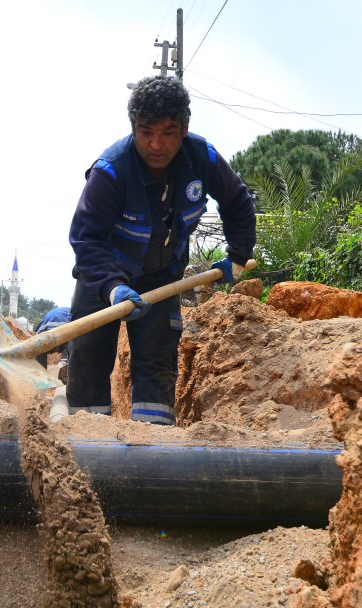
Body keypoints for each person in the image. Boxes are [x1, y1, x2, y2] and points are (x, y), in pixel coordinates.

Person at [66, 76, 256, 425]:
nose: (157, 144)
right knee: (88, 359)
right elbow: (86, 240)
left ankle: (151, 450)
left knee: (157, 364)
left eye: (168, 131)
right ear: (133, 129)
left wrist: (239, 256)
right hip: (103, 279)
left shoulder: (204, 159)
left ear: (184, 128)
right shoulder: (110, 172)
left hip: (160, 280)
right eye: (146, 131)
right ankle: (86, 443)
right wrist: (112, 288)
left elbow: (237, 201)